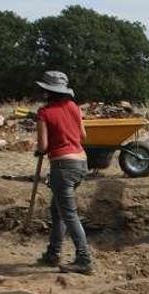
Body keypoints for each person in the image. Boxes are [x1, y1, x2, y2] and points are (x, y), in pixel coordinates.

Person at [35, 71, 93, 275]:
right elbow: (82, 135)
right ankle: (53, 252)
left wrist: (41, 149)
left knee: (68, 214)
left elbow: (43, 146)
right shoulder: (74, 107)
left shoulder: (44, 113)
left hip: (62, 166)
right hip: (81, 162)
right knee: (57, 209)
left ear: (48, 91)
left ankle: (84, 259)